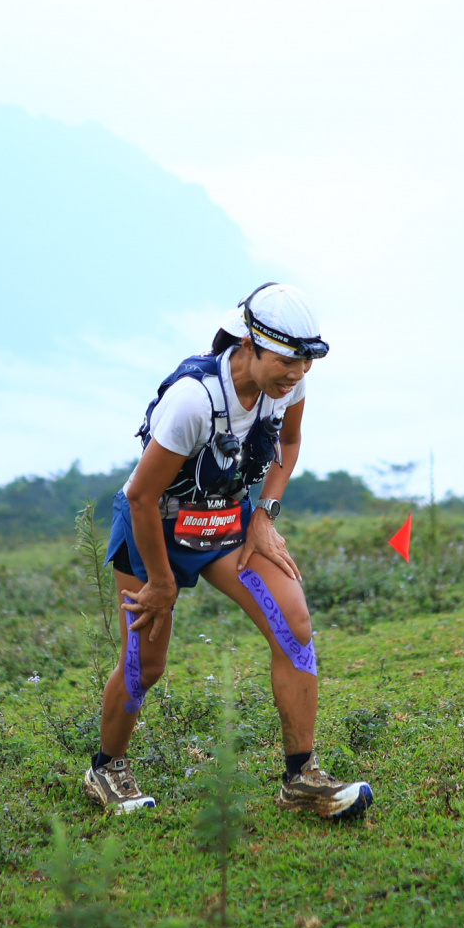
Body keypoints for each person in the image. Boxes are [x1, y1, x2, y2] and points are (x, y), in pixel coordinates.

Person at [84, 283, 372, 820]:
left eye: (305, 361)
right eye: (286, 360)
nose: (297, 372)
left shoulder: (287, 385)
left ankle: (301, 779)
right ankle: (106, 768)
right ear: (249, 344)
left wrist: (265, 515)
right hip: (155, 525)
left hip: (225, 519)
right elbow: (141, 496)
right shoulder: (193, 400)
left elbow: (289, 444)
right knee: (145, 663)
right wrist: (162, 583)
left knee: (294, 625)